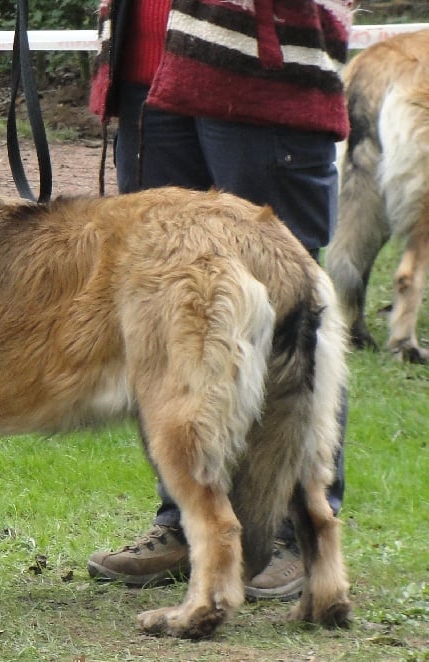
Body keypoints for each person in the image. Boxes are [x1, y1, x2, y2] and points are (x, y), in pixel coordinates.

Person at [87, 0, 352, 600]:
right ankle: (189, 522)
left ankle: (293, 531)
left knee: (288, 316)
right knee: (170, 333)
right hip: (147, 72)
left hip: (264, 72)